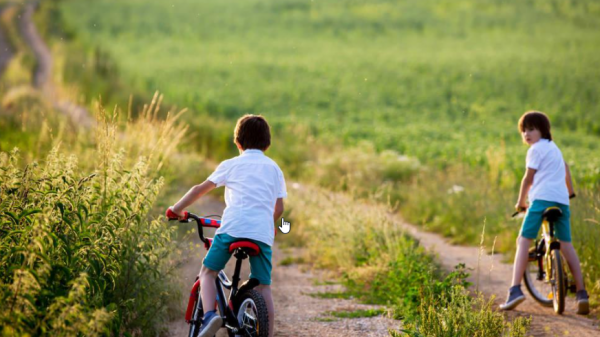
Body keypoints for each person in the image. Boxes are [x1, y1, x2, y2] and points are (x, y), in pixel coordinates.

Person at [169, 114, 286, 337]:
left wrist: (176, 209)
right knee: (263, 287)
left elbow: (198, 189)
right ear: (267, 144)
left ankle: (211, 316)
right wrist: (268, 227)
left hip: (232, 229)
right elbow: (279, 209)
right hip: (261, 234)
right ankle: (267, 334)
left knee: (208, 272)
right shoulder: (274, 169)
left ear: (238, 142)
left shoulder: (231, 165)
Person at [500, 111, 589, 315]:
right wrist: (570, 191)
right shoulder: (554, 148)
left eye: (531, 129)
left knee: (523, 240)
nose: (526, 134)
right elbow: (565, 168)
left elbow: (528, 179)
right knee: (566, 244)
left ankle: (515, 290)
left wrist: (520, 202)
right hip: (561, 201)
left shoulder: (535, 150)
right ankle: (582, 292)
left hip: (540, 201)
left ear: (543, 130)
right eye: (523, 130)